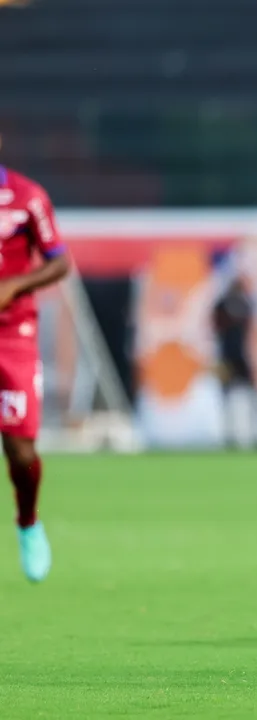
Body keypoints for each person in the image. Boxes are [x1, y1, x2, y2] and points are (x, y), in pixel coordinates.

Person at [0, 157, 71, 583]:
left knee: (21, 451)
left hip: (13, 336)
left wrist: (14, 285)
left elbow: (60, 261)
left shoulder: (27, 197)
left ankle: (28, 521)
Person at [212, 276, 257, 448]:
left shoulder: (242, 305)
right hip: (230, 361)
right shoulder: (228, 305)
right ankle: (231, 436)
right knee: (228, 400)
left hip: (239, 360)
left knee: (246, 400)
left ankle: (250, 435)